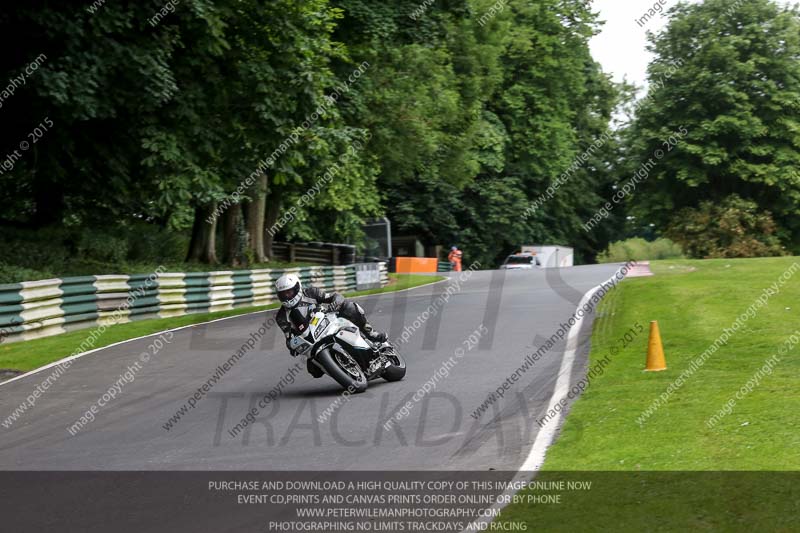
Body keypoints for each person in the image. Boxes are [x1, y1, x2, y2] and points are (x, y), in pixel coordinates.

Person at [274, 274, 388, 377]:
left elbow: (334, 296)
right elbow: (288, 337)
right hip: (312, 340)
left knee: (350, 307)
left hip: (329, 321)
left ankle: (371, 334)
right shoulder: (281, 317)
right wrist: (293, 346)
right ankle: (342, 369)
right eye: (283, 294)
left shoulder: (310, 293)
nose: (287, 296)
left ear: (297, 288)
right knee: (314, 371)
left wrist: (336, 303)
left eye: (289, 292)